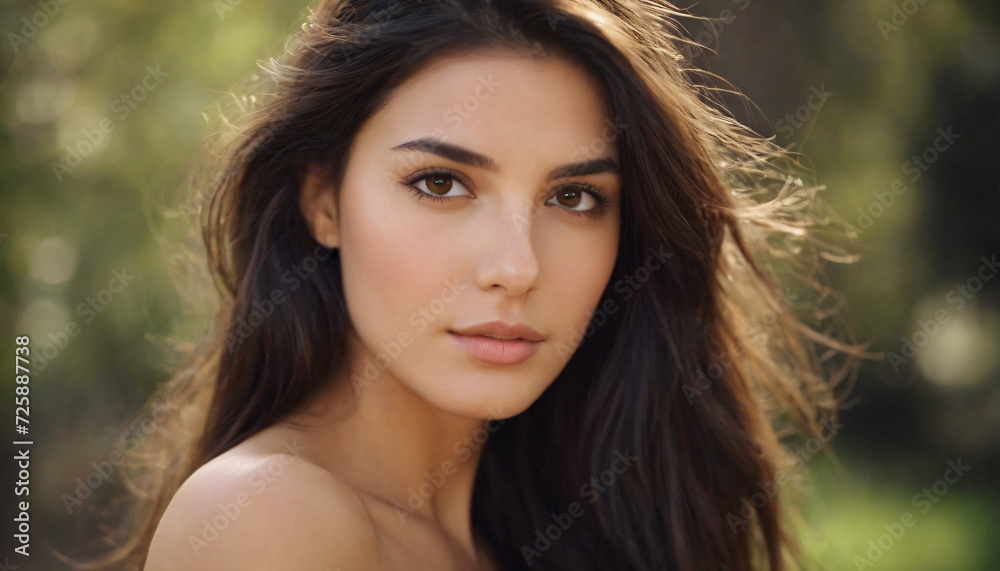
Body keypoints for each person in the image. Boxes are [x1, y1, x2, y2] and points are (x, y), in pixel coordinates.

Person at [72, 0, 858, 569]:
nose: (517, 268)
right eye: (442, 183)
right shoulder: (267, 516)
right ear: (323, 203)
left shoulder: (555, 522)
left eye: (573, 197)